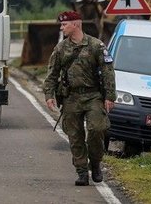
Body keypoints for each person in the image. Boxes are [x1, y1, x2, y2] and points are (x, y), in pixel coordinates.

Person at [43, 10, 116, 186]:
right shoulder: (61, 48)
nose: (62, 28)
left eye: (64, 25)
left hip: (93, 96)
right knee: (75, 136)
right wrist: (49, 95)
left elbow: (108, 72)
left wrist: (110, 96)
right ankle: (82, 171)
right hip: (71, 97)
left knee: (97, 129)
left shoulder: (96, 45)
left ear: (75, 24)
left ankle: (96, 163)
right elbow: (52, 73)